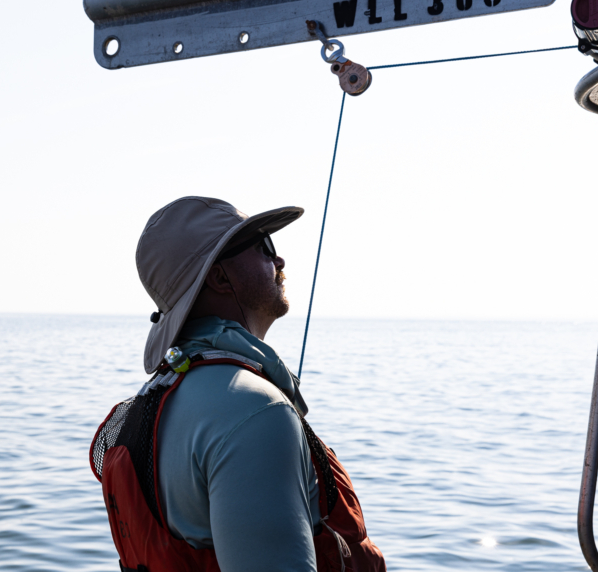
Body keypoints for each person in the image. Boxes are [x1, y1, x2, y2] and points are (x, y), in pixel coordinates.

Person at [90, 196, 385, 572]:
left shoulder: (150, 404)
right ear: (218, 277)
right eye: (264, 247)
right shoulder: (255, 411)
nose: (279, 261)